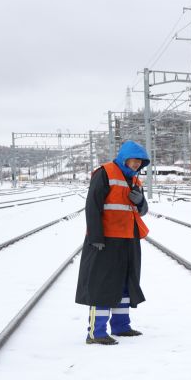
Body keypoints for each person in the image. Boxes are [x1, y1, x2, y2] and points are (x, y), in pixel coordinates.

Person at [75, 140, 151, 345]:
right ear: (125, 157)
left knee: (126, 284)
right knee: (102, 285)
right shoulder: (105, 173)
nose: (136, 165)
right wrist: (95, 238)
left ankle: (121, 326)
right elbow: (92, 206)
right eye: (134, 161)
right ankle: (96, 333)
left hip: (129, 239)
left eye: (140, 163)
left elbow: (142, 211)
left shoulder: (135, 181)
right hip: (106, 240)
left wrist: (141, 202)